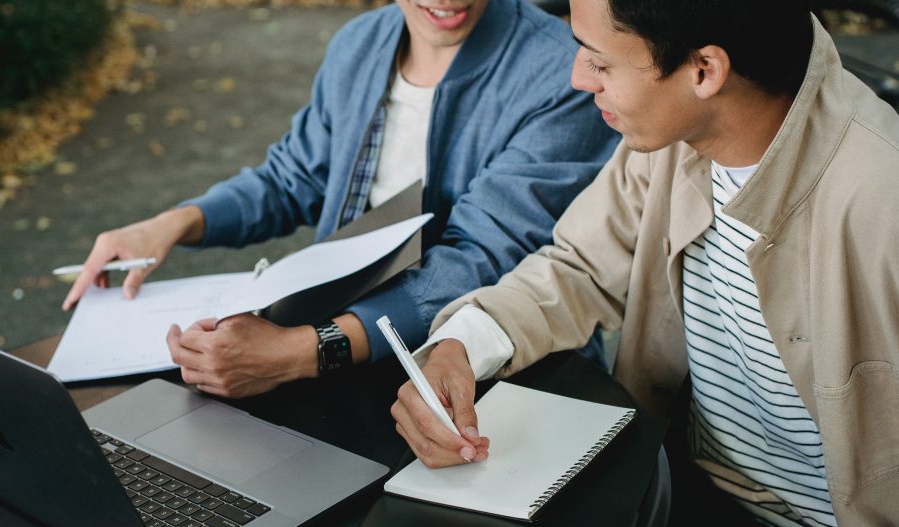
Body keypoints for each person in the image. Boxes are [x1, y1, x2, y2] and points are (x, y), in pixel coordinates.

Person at [390, 0, 899, 527]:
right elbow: (577, 266)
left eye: (600, 61)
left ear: (705, 70)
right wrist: (459, 345)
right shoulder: (674, 139)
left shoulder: (880, 194)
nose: (577, 77)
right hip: (679, 502)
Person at [61, 0, 618, 398]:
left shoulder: (560, 73)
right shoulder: (360, 44)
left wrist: (302, 350)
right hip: (331, 344)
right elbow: (293, 178)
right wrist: (174, 224)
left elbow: (482, 258)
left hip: (485, 375)